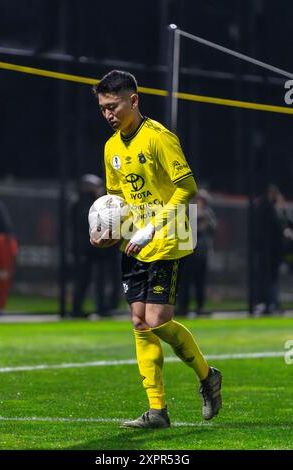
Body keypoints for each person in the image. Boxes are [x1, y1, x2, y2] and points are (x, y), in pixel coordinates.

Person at [90, 70, 222, 428]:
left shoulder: (159, 138)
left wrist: (150, 228)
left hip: (168, 236)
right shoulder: (111, 147)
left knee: (156, 320)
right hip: (134, 241)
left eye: (113, 106)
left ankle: (207, 375)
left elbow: (188, 189)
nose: (108, 115)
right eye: (103, 108)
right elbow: (117, 198)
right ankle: (157, 411)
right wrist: (108, 230)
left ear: (134, 100)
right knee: (138, 322)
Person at [70, 174, 120, 317]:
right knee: (83, 279)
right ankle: (77, 309)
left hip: (97, 249)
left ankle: (101, 308)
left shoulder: (96, 202)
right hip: (86, 249)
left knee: (100, 279)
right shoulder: (81, 203)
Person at [178, 189, 217, 317]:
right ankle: (183, 308)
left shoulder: (208, 213)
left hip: (201, 253)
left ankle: (200, 307)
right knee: (185, 282)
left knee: (200, 281)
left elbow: (212, 227)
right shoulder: (188, 210)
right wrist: (197, 219)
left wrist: (204, 219)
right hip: (187, 252)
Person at [254, 184, 284, 315]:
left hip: (273, 253)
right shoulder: (267, 208)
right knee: (268, 278)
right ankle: (269, 303)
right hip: (268, 252)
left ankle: (272, 303)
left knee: (271, 278)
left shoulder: (275, 209)